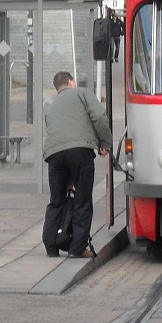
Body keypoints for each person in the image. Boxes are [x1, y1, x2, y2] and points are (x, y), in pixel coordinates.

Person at [42, 71, 112, 258]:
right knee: (82, 200)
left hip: (54, 154)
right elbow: (98, 116)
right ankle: (76, 248)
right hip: (80, 152)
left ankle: (51, 247)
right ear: (71, 82)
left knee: (56, 201)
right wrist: (105, 143)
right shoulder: (82, 93)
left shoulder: (53, 105)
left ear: (58, 87)